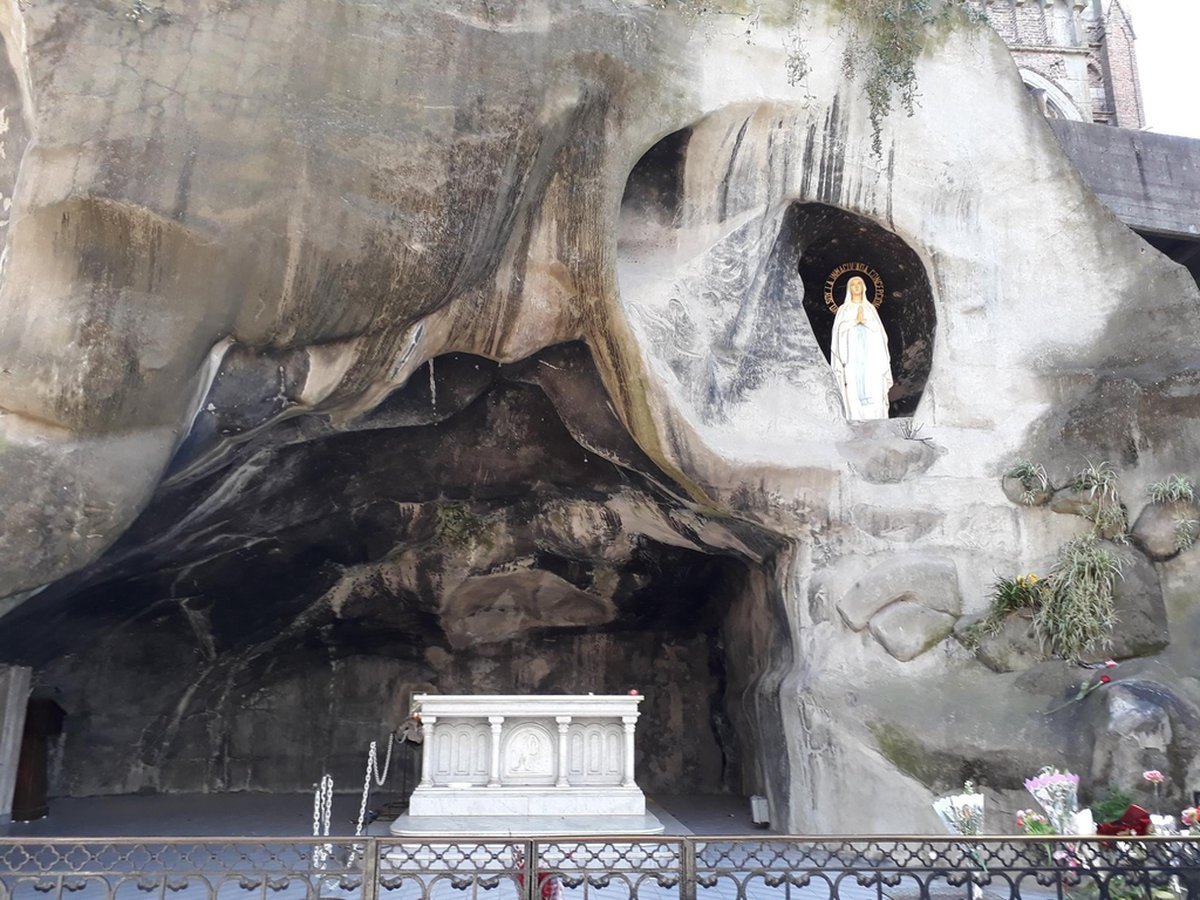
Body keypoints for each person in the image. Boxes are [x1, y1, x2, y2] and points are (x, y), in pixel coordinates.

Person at [830, 276, 892, 420]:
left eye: (859, 283)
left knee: (874, 384)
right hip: (851, 356)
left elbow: (881, 334)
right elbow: (838, 333)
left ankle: (878, 419)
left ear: (864, 287)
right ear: (848, 289)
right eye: (853, 284)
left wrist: (865, 322)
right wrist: (854, 321)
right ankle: (855, 419)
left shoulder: (870, 309)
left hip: (871, 357)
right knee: (852, 386)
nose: (856, 286)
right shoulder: (843, 310)